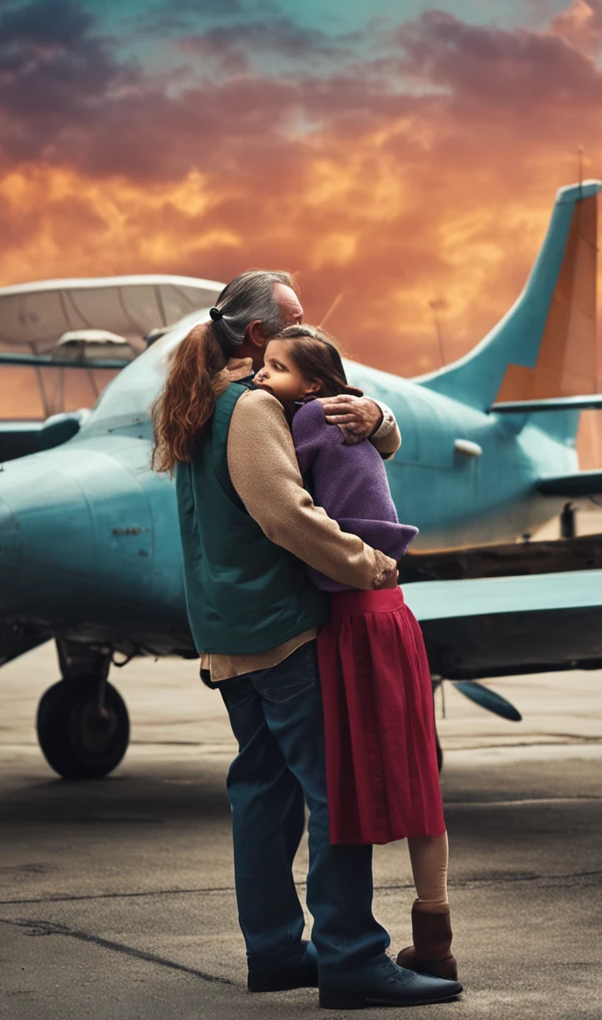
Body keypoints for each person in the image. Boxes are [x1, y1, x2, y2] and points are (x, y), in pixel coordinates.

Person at [151, 269, 461, 1010]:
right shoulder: (252, 406)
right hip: (279, 631)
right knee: (337, 794)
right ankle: (353, 957)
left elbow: (348, 426)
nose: (306, 321)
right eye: (292, 317)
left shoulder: (195, 402)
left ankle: (274, 950)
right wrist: (370, 563)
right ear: (258, 335)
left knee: (263, 790)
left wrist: (376, 414)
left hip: (225, 632)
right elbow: (285, 516)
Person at [253, 324, 457, 982]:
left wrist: (374, 411)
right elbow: (375, 434)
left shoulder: (304, 417)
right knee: (421, 784)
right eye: (261, 365)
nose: (262, 379)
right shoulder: (342, 412)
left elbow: (285, 506)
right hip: (392, 615)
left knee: (346, 786)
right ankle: (435, 935)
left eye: (276, 368)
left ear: (313, 385)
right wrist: (376, 412)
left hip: (351, 617)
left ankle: (345, 949)